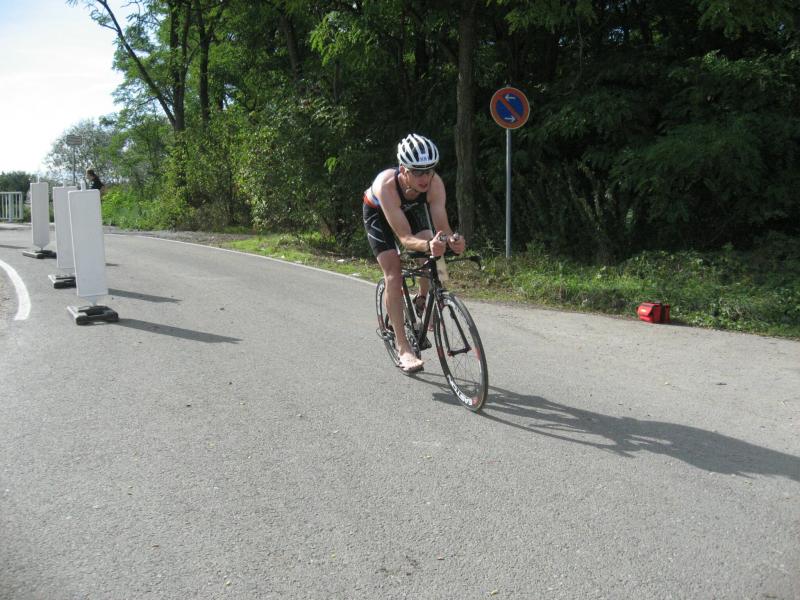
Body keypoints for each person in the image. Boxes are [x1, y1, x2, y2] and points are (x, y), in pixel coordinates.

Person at [363, 133, 466, 373]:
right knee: (394, 273)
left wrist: (453, 241)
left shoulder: (434, 183)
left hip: (407, 209)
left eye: (429, 171)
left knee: (433, 243)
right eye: (418, 172)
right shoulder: (387, 186)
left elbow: (442, 228)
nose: (425, 178)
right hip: (378, 213)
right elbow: (405, 239)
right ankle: (403, 348)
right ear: (403, 170)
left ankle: (424, 298)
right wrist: (428, 245)